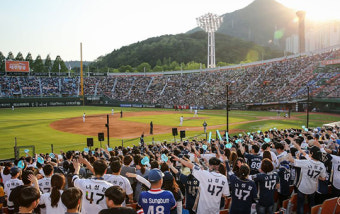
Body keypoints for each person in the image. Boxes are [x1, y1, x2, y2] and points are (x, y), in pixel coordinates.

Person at [287, 143, 327, 214]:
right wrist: (317, 176)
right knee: (311, 203)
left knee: (301, 205)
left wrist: (288, 150)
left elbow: (291, 160)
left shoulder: (306, 162)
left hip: (303, 187)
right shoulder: (322, 165)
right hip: (313, 188)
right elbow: (323, 178)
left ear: (311, 153)